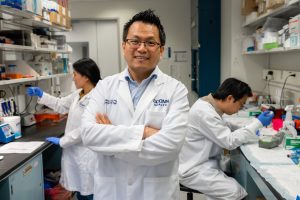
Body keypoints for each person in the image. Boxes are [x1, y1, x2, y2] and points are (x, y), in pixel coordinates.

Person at [80, 9, 189, 200]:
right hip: (112, 191)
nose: (142, 48)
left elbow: (171, 146)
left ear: (161, 50)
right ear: (124, 45)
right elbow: (88, 135)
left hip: (156, 193)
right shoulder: (105, 87)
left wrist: (111, 141)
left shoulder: (176, 90)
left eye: (150, 42)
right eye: (135, 41)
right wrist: (144, 133)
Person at [179, 78, 274, 200]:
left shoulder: (208, 105)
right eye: (241, 104)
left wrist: (250, 126)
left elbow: (224, 127)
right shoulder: (204, 112)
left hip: (204, 162)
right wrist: (258, 123)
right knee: (235, 192)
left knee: (228, 181)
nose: (240, 108)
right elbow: (229, 141)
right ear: (230, 98)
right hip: (193, 169)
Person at [27, 58, 101, 200]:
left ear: (85, 76)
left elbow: (86, 129)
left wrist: (63, 141)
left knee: (90, 191)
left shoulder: (96, 98)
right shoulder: (79, 93)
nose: (73, 78)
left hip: (87, 153)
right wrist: (41, 95)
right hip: (75, 153)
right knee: (80, 190)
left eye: (75, 74)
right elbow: (61, 104)